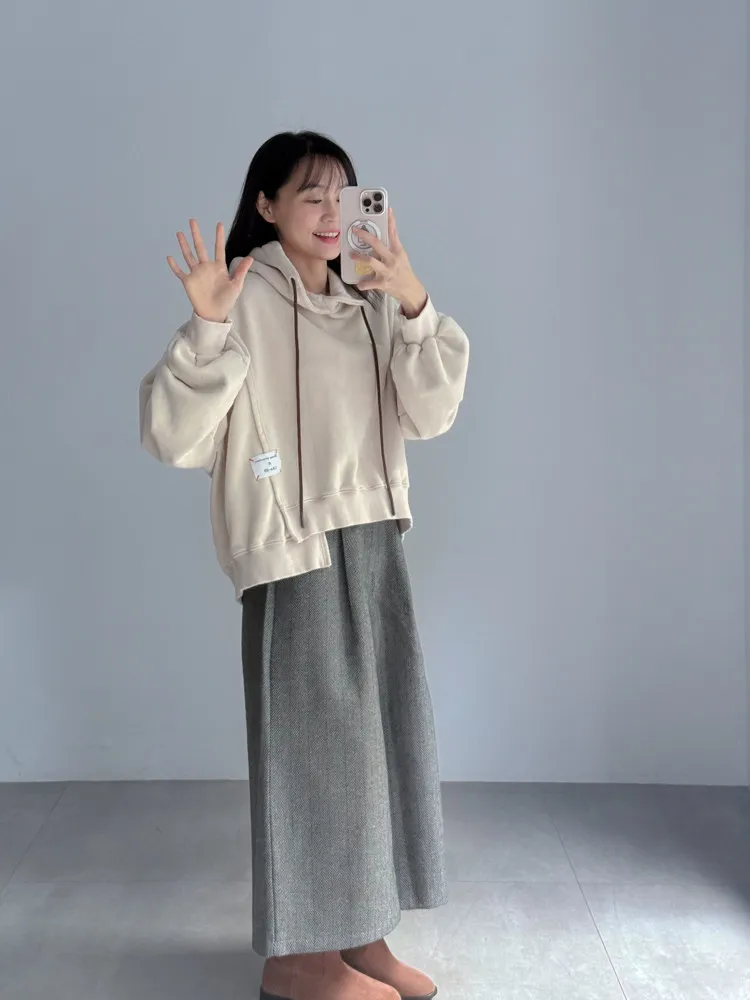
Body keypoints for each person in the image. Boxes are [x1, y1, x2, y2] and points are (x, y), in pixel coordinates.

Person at [139, 131, 470, 1000]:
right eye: (311, 195)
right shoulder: (241, 296)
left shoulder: (368, 302)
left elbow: (431, 414)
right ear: (267, 205)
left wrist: (412, 300)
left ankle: (361, 932)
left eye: (344, 194)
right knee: (314, 756)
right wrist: (208, 324)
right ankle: (299, 961)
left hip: (374, 539)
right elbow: (173, 437)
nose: (331, 213)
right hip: (295, 548)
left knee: (378, 745)